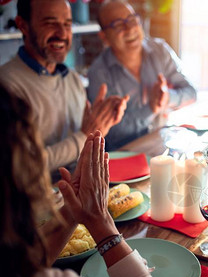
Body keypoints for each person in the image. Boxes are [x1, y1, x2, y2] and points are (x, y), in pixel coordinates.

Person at [0, 84, 162, 277]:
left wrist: (72, 209)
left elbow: (22, 263)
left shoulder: (12, 269)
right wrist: (102, 221)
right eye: (31, 152)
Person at [0, 0, 129, 180]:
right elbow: (20, 166)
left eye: (67, 24)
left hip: (78, 191)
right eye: (50, 23)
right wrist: (84, 136)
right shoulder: (7, 85)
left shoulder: (72, 79)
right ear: (23, 25)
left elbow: (81, 149)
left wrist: (100, 124)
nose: (62, 33)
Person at [88, 0, 197, 151]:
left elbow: (191, 92)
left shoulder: (160, 50)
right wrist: (151, 109)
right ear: (104, 36)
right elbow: (110, 132)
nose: (130, 28)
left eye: (132, 19)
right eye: (118, 24)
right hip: (123, 153)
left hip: (162, 144)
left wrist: (166, 99)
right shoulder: (98, 73)